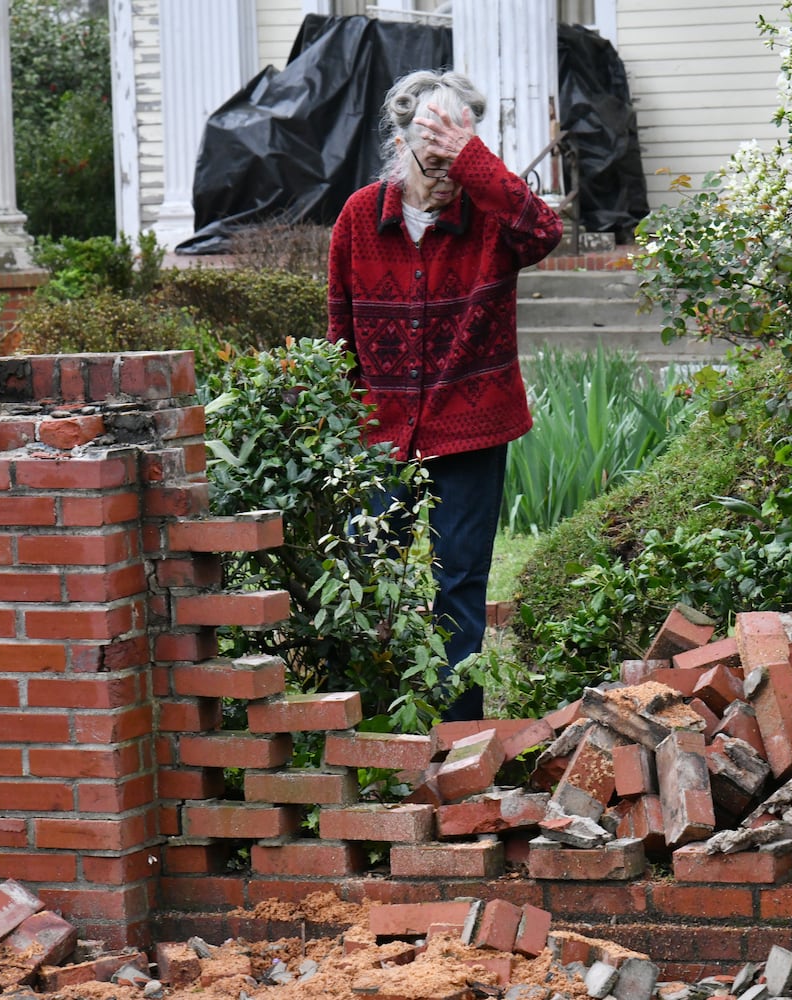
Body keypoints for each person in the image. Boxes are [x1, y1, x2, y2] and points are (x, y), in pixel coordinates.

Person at [327, 69, 563, 720]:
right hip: (381, 433)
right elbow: (339, 333)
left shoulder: (492, 216)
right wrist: (346, 427)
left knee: (459, 585)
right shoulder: (358, 219)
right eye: (433, 158)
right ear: (400, 145)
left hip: (473, 429)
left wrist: (474, 161)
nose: (445, 174)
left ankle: (461, 744)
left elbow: (544, 231)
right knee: (371, 579)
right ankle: (373, 733)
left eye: (457, 158)